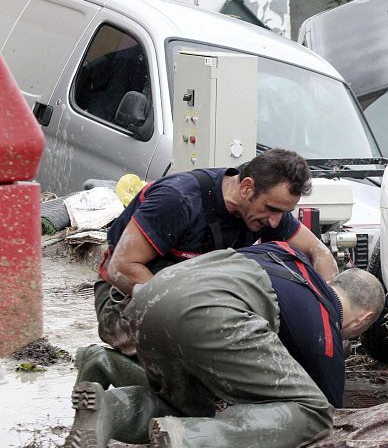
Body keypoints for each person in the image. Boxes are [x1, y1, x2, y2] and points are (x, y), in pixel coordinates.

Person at [66, 242, 385, 448]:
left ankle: (109, 405)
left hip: (152, 297)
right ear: (362, 320)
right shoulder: (325, 336)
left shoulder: (286, 254)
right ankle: (193, 439)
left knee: (185, 403)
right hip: (212, 315)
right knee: (313, 413)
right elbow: (330, 419)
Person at [76, 148, 338, 387]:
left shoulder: (266, 212)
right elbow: (122, 268)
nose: (275, 222)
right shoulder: (178, 199)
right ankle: (103, 363)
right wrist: (197, 320)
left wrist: (330, 309)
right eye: (271, 209)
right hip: (122, 301)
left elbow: (320, 253)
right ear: (247, 188)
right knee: (197, 381)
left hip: (192, 303)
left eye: (283, 212)